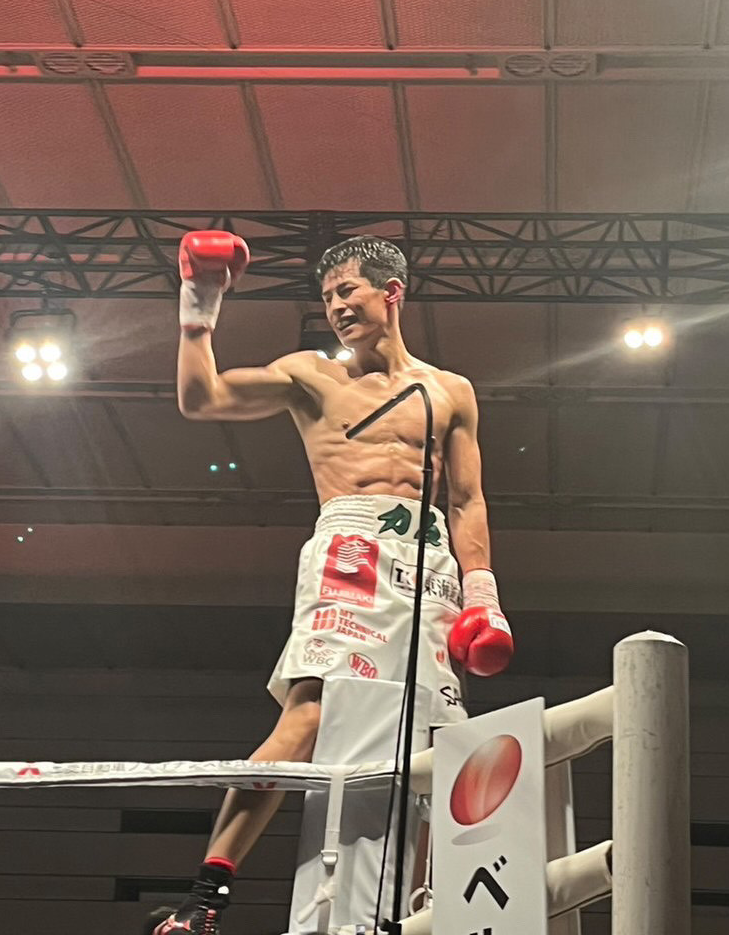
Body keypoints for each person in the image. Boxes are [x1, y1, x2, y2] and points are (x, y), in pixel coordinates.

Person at [147, 233, 514, 935]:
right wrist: (200, 305)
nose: (337, 307)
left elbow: (468, 501)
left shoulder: (451, 391)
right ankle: (207, 893)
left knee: (436, 738)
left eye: (347, 291)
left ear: (391, 292)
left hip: (429, 564)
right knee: (310, 713)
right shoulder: (311, 376)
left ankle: (425, 908)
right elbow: (202, 398)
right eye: (327, 297)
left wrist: (483, 596)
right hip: (351, 550)